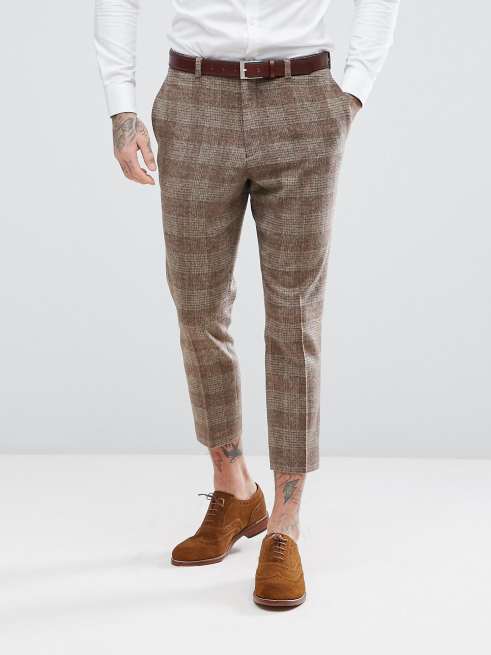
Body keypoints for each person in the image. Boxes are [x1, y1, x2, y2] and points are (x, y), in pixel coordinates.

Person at [94, 0, 400, 608]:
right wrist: (122, 107)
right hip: (194, 98)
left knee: (295, 314)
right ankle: (234, 489)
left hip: (302, 99)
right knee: (197, 303)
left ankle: (285, 523)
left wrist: (354, 91)